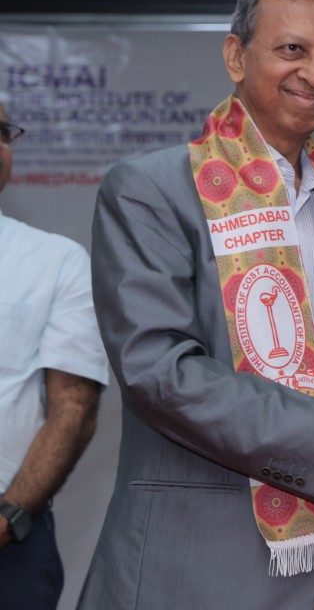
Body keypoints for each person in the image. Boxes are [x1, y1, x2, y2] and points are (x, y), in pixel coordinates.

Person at [76, 0, 314, 610]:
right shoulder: (152, 191)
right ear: (235, 56)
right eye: (292, 49)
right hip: (197, 571)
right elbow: (159, 371)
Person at [0, 103, 108, 610]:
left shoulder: (56, 261)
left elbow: (75, 409)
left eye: (2, 131)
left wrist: (9, 519)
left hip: (11, 540)